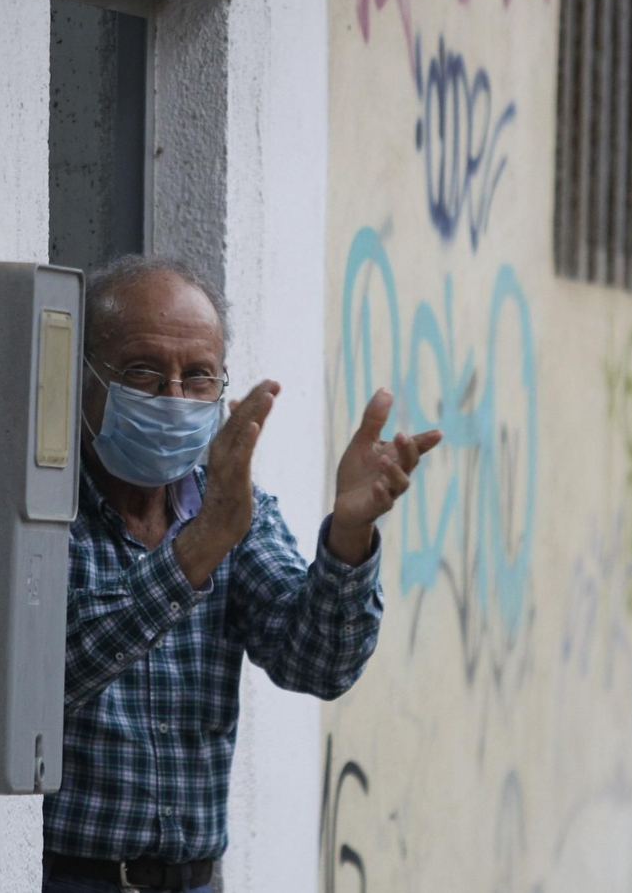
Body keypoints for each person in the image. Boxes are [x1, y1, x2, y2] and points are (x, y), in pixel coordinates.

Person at [43, 255, 441, 893]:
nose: (173, 398)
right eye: (144, 371)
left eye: (197, 377)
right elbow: (51, 674)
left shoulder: (231, 509)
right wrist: (200, 545)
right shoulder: (42, 513)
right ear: (83, 377)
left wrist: (348, 532)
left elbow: (317, 663)